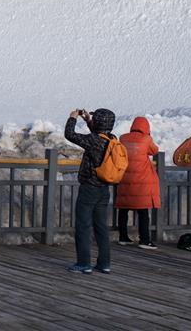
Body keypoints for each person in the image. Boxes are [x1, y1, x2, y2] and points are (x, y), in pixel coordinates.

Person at [65, 108, 115, 274]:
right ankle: (104, 263)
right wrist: (88, 121)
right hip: (104, 189)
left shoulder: (93, 140)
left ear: (98, 122)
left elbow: (70, 135)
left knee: (83, 225)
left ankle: (84, 263)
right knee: (101, 226)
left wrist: (72, 118)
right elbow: (98, 134)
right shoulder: (112, 139)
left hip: (89, 189)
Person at [115, 116, 160, 249]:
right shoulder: (146, 139)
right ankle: (144, 240)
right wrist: (148, 136)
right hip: (141, 181)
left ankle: (123, 237)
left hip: (125, 178)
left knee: (123, 209)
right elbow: (154, 150)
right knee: (143, 211)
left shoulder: (123, 138)